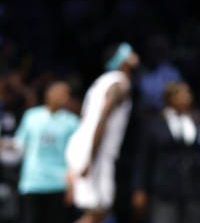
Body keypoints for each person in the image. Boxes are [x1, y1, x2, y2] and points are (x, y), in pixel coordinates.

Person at [65, 42, 139, 223]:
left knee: (100, 211)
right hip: (95, 149)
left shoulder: (103, 81)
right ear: (123, 59)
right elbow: (102, 119)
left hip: (90, 147)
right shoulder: (119, 85)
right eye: (130, 53)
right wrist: (90, 158)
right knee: (98, 209)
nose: (134, 56)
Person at [132, 82, 200, 223]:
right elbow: (144, 159)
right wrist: (139, 188)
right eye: (178, 94)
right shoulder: (155, 123)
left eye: (187, 93)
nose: (184, 98)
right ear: (168, 98)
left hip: (196, 189)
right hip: (164, 191)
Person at [11, 80, 79, 223]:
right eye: (60, 92)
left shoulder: (72, 122)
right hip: (33, 181)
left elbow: (76, 155)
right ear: (48, 94)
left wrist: (72, 185)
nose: (64, 97)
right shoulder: (31, 116)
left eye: (66, 93)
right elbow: (18, 144)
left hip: (58, 183)